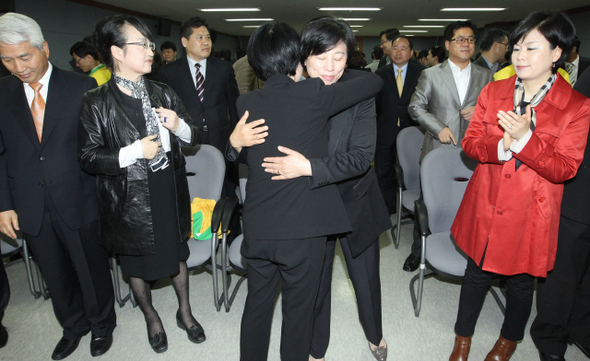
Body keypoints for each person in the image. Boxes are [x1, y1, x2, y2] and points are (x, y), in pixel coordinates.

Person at [233, 17, 391, 361]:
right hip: (305, 216)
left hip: (349, 198)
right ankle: (314, 351)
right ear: (301, 56)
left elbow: (362, 156)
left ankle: (374, 334)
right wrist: (233, 143)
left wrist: (308, 167)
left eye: (340, 56)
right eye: (321, 57)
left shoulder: (258, 99)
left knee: (364, 281)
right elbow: (254, 146)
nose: (331, 66)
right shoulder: (305, 93)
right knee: (307, 298)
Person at [449, 11, 590, 361]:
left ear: (557, 53)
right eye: (516, 48)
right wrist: (502, 146)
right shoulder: (494, 90)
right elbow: (471, 143)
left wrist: (527, 139)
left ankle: (508, 341)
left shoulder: (576, 105)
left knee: (523, 281)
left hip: (533, 208)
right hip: (488, 198)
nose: (520, 56)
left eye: (531, 48)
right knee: (476, 273)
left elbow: (565, 168)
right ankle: (462, 340)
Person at [78, 14, 201, 354]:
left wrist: (179, 126)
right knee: (136, 266)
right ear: (117, 52)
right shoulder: (96, 101)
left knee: (176, 254)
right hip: (128, 197)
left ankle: (185, 313)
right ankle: (151, 318)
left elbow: (194, 136)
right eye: (142, 45)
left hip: (167, 187)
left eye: (150, 44)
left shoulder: (162, 90)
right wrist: (133, 151)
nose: (151, 51)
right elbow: (88, 157)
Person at [0, 13, 116, 360]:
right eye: (6, 59)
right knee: (54, 272)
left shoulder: (80, 87)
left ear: (44, 49)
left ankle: (101, 325)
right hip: (28, 201)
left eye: (25, 56)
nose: (18, 67)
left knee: (90, 268)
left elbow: (99, 146)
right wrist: (4, 204)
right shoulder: (1, 93)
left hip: (78, 196)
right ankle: (73, 326)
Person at [406, 21, 492, 273]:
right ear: (447, 44)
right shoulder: (431, 74)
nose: (466, 44)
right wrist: (437, 127)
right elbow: (415, 107)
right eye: (460, 39)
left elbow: (497, 110)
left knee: (470, 206)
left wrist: (481, 111)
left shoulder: (486, 76)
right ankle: (418, 252)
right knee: (428, 204)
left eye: (470, 39)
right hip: (436, 150)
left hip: (472, 154)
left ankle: (464, 253)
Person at [530, 66, 590, 361]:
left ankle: (582, 328)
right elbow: (573, 125)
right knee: (562, 274)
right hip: (582, 192)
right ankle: (550, 338)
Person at [375, 35, 425, 215]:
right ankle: (388, 207)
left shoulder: (422, 73)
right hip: (385, 130)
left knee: (411, 170)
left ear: (411, 53)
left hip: (412, 130)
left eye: (403, 48)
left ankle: (410, 206)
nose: (398, 52)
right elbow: (376, 104)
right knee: (384, 170)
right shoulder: (381, 74)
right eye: (395, 48)